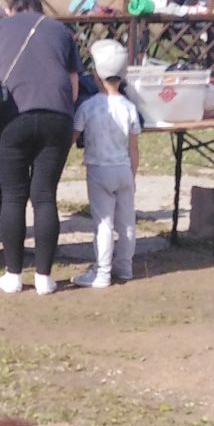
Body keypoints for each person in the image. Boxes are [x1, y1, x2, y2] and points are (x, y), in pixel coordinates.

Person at [0, 0, 81, 293]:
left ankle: (13, 275)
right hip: (57, 117)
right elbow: (74, 87)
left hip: (11, 118)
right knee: (45, 196)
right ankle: (45, 278)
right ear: (40, 11)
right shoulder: (61, 31)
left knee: (13, 196)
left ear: (12, 10)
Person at [71, 38, 141, 289]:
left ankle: (102, 272)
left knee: (103, 223)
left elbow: (73, 136)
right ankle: (125, 266)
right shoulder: (130, 107)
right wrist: (132, 174)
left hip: (98, 170)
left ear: (96, 76)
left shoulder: (87, 107)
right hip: (123, 169)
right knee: (126, 222)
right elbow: (134, 148)